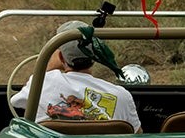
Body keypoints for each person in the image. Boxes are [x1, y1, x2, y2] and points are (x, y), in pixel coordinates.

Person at [10, 23, 142, 131]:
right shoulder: (122, 95)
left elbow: (16, 102)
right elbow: (137, 137)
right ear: (94, 57)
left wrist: (47, 66)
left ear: (61, 57)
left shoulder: (43, 82)